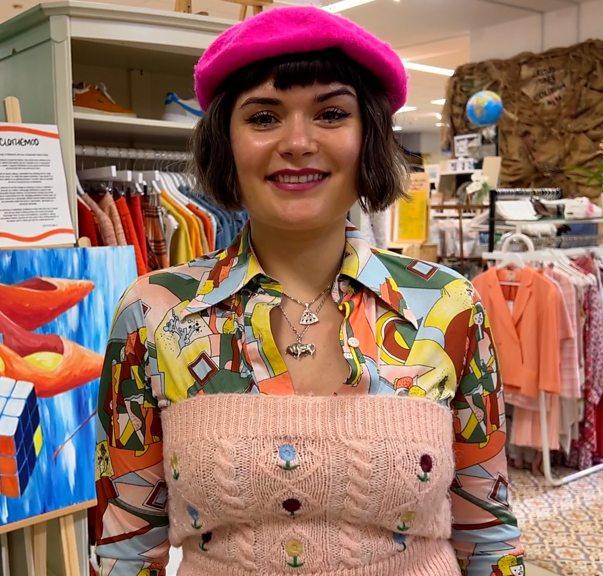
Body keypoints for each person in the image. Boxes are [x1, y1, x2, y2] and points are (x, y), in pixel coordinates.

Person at [92, 6, 524, 576]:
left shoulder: (446, 307)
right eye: (264, 117)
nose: (297, 142)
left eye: (331, 113)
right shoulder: (154, 315)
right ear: (227, 140)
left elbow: (488, 535)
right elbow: (125, 547)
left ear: (367, 136)